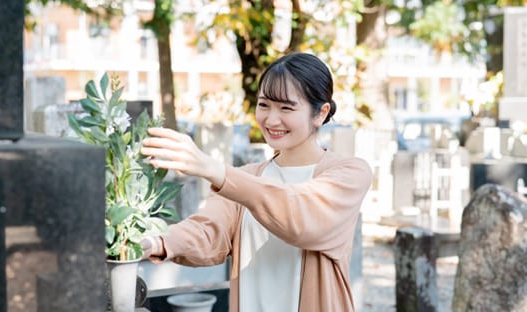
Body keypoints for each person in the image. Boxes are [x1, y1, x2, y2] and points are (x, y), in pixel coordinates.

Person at [140, 52, 372, 312]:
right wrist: (156, 242)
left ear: (320, 113)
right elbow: (207, 231)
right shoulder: (248, 177)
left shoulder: (349, 173)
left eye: (286, 108)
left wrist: (213, 169)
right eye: (264, 105)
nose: (271, 120)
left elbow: (302, 215)